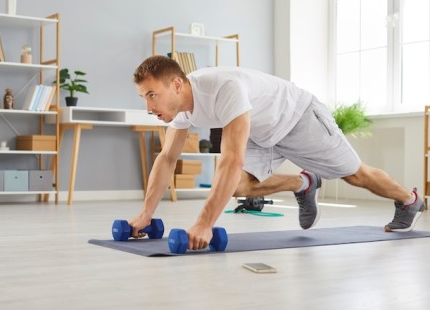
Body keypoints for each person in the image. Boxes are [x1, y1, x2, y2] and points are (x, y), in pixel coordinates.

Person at [129, 55, 425, 250]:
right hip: (260, 131)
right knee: (240, 187)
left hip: (297, 118)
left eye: (152, 95)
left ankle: (409, 201)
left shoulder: (223, 89)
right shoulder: (180, 108)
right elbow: (167, 158)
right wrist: (145, 214)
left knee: (357, 176)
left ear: (176, 84)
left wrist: (205, 223)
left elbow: (232, 160)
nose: (149, 106)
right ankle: (303, 183)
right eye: (144, 97)